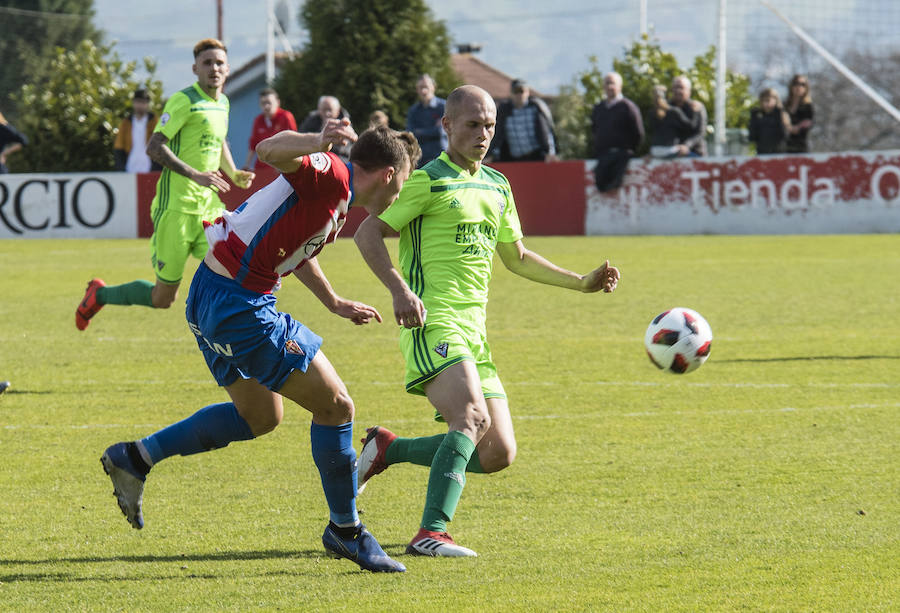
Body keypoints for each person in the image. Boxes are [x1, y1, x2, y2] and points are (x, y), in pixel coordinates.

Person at [100, 119, 421, 573]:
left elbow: (296, 248)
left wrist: (333, 302)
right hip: (239, 306)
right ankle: (345, 531)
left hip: (211, 293)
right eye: (402, 183)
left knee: (261, 416)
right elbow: (269, 150)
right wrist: (316, 140)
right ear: (389, 174)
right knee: (337, 407)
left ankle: (135, 457)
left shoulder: (338, 198)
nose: (398, 196)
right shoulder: (331, 172)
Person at [354, 85, 620, 557]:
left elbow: (516, 257)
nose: (483, 133)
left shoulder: (497, 185)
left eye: (490, 125)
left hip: (475, 334)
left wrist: (581, 281)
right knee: (471, 418)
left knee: (497, 452)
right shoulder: (428, 181)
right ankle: (430, 533)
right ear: (448, 125)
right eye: (473, 124)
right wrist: (400, 291)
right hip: (432, 322)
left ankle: (388, 449)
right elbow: (367, 232)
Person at [76, 38, 254, 331]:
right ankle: (100, 294)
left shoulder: (222, 102)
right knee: (163, 298)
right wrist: (195, 174)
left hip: (208, 209)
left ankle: (234, 338)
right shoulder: (184, 101)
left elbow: (219, 138)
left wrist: (233, 172)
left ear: (228, 68)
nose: (214, 68)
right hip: (176, 210)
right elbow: (154, 147)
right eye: (207, 63)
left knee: (234, 270)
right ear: (195, 68)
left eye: (219, 62)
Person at [590, 71, 644, 191]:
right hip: (603, 156)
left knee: (616, 186)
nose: (610, 87)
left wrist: (628, 150)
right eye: (607, 83)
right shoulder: (598, 108)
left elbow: (638, 133)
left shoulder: (628, 107)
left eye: (613, 83)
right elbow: (594, 130)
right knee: (601, 187)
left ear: (620, 86)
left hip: (622, 157)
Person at [488, 78, 558, 163]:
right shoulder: (504, 111)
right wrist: (492, 155)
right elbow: (498, 136)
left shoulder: (536, 108)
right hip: (514, 159)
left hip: (537, 157)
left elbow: (547, 133)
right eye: (516, 91)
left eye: (521, 91)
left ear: (527, 92)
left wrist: (550, 152)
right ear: (511, 93)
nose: (519, 94)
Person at [242, 87, 297, 171]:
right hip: (262, 168)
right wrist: (246, 165)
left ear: (278, 102)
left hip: (282, 167)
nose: (266, 106)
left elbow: (294, 142)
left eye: (269, 102)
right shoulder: (258, 120)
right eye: (263, 103)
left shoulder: (286, 117)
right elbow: (253, 145)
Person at [114, 89, 160, 172]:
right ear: (133, 103)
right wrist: (121, 167)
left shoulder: (154, 121)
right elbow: (119, 146)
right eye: (138, 102)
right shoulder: (126, 122)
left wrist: (156, 167)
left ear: (148, 104)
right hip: (130, 166)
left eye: (143, 102)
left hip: (150, 166)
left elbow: (160, 145)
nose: (140, 105)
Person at [406, 74, 447, 167]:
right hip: (420, 161)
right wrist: (432, 130)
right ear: (417, 90)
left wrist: (419, 131)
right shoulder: (413, 110)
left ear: (433, 87)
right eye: (420, 87)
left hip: (441, 158)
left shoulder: (444, 107)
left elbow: (441, 131)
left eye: (426, 87)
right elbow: (410, 134)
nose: (423, 91)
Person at [298, 96, 353, 162]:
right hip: (314, 159)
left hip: (339, 160)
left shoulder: (344, 123)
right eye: (324, 110)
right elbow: (301, 140)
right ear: (319, 110)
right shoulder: (310, 121)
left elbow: (343, 150)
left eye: (330, 110)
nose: (327, 113)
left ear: (338, 111)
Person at [748, 88, 790, 155]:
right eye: (763, 100)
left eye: (768, 100)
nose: (766, 103)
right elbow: (752, 137)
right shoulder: (756, 114)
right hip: (762, 152)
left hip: (779, 153)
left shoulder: (781, 113)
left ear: (775, 100)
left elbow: (785, 135)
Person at [785, 74, 814, 153]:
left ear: (806, 88)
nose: (798, 87)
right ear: (791, 86)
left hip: (801, 145)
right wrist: (788, 127)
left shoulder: (807, 106)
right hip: (784, 145)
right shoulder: (785, 105)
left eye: (802, 84)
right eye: (795, 83)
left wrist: (796, 128)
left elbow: (809, 122)